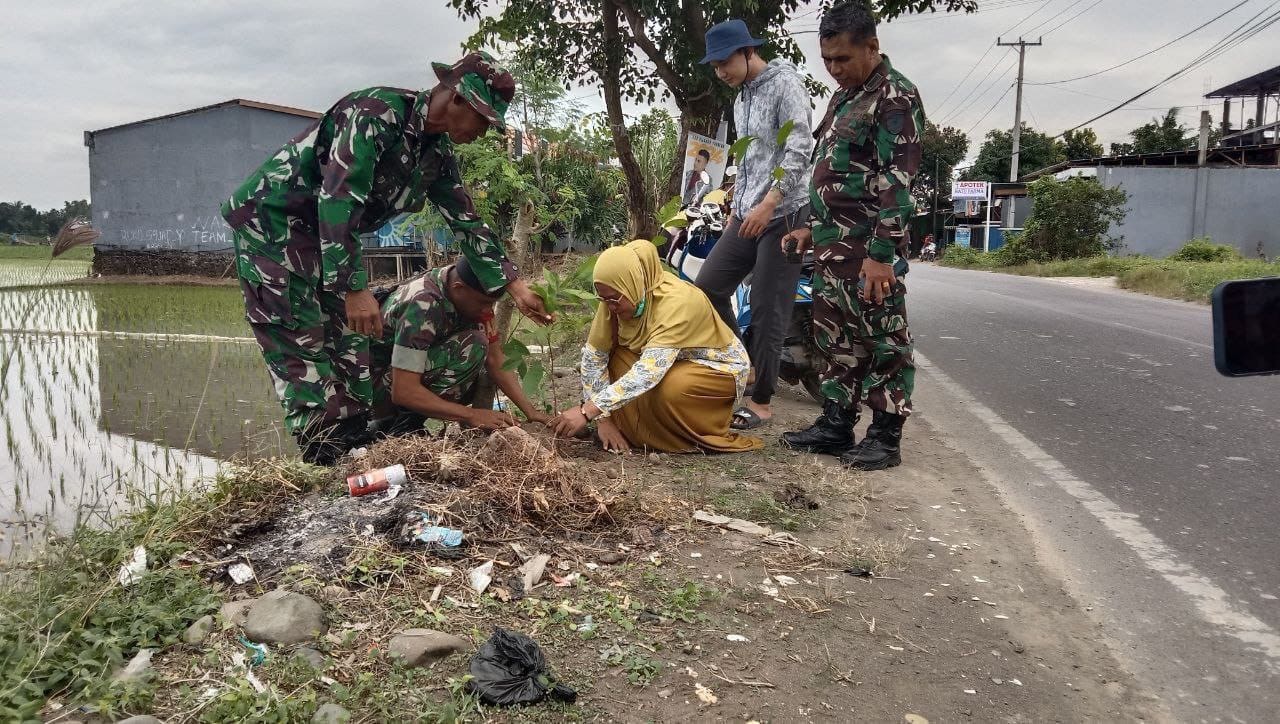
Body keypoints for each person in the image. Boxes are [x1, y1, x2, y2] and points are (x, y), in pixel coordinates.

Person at [221, 51, 552, 465]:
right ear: (457, 99)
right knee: (300, 340)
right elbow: (338, 198)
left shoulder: (436, 155)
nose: (484, 132)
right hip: (272, 228)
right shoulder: (375, 113)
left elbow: (465, 220)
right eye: (483, 120)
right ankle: (324, 454)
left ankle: (356, 440)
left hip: (327, 240)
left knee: (347, 343)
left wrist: (515, 286)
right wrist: (354, 287)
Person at [779, 1, 924, 471]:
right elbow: (833, 173)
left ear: (872, 47)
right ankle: (836, 424)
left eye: (843, 59)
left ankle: (885, 437)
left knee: (884, 343)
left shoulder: (894, 98)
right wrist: (808, 226)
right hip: (832, 247)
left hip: (868, 250)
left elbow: (897, 183)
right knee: (835, 339)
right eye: (828, 61)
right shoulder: (844, 97)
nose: (835, 70)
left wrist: (881, 256)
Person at [695, 18, 815, 431]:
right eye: (713, 66)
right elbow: (747, 159)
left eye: (724, 62)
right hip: (746, 212)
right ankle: (744, 365)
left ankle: (762, 402)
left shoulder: (786, 84)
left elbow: (799, 149)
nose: (720, 72)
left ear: (748, 52)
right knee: (708, 286)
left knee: (767, 306)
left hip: (785, 214)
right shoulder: (741, 97)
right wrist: (737, 205)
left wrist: (770, 201)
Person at [549, 240, 762, 454]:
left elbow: (649, 372)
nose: (609, 307)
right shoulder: (615, 299)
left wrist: (587, 411)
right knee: (615, 360)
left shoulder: (679, 302)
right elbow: (594, 358)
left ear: (633, 283)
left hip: (714, 367)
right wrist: (604, 420)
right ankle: (628, 430)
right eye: (603, 299)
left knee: (672, 388)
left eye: (614, 300)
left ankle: (691, 436)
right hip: (667, 361)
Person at [370, 257, 551, 436]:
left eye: (492, 304)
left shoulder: (468, 293)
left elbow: (496, 360)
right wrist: (471, 415)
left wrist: (531, 412)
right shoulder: (422, 304)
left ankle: (406, 423)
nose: (488, 310)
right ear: (458, 288)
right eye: (484, 303)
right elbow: (403, 391)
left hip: (400, 378)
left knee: (478, 349)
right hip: (373, 389)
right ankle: (399, 429)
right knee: (472, 346)